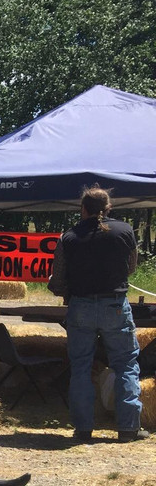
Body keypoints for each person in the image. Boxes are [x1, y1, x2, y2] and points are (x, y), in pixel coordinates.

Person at [56, 187, 149, 442]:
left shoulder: (69, 236)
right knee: (126, 365)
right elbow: (130, 267)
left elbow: (58, 277)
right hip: (115, 304)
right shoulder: (125, 231)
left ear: (83, 209)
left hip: (81, 305)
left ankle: (83, 429)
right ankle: (128, 428)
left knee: (81, 367)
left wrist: (65, 292)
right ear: (109, 208)